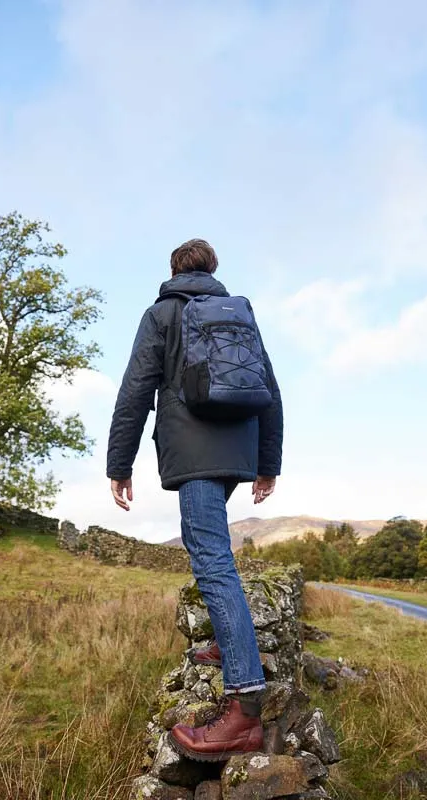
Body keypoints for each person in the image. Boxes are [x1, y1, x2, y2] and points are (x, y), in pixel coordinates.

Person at [106, 238, 283, 761]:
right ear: (213, 270)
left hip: (194, 451)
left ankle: (245, 707)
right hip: (239, 448)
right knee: (214, 554)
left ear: (173, 271)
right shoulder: (240, 314)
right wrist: (267, 462)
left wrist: (119, 465)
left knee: (211, 562)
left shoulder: (162, 314)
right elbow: (270, 388)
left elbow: (136, 389)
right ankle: (234, 647)